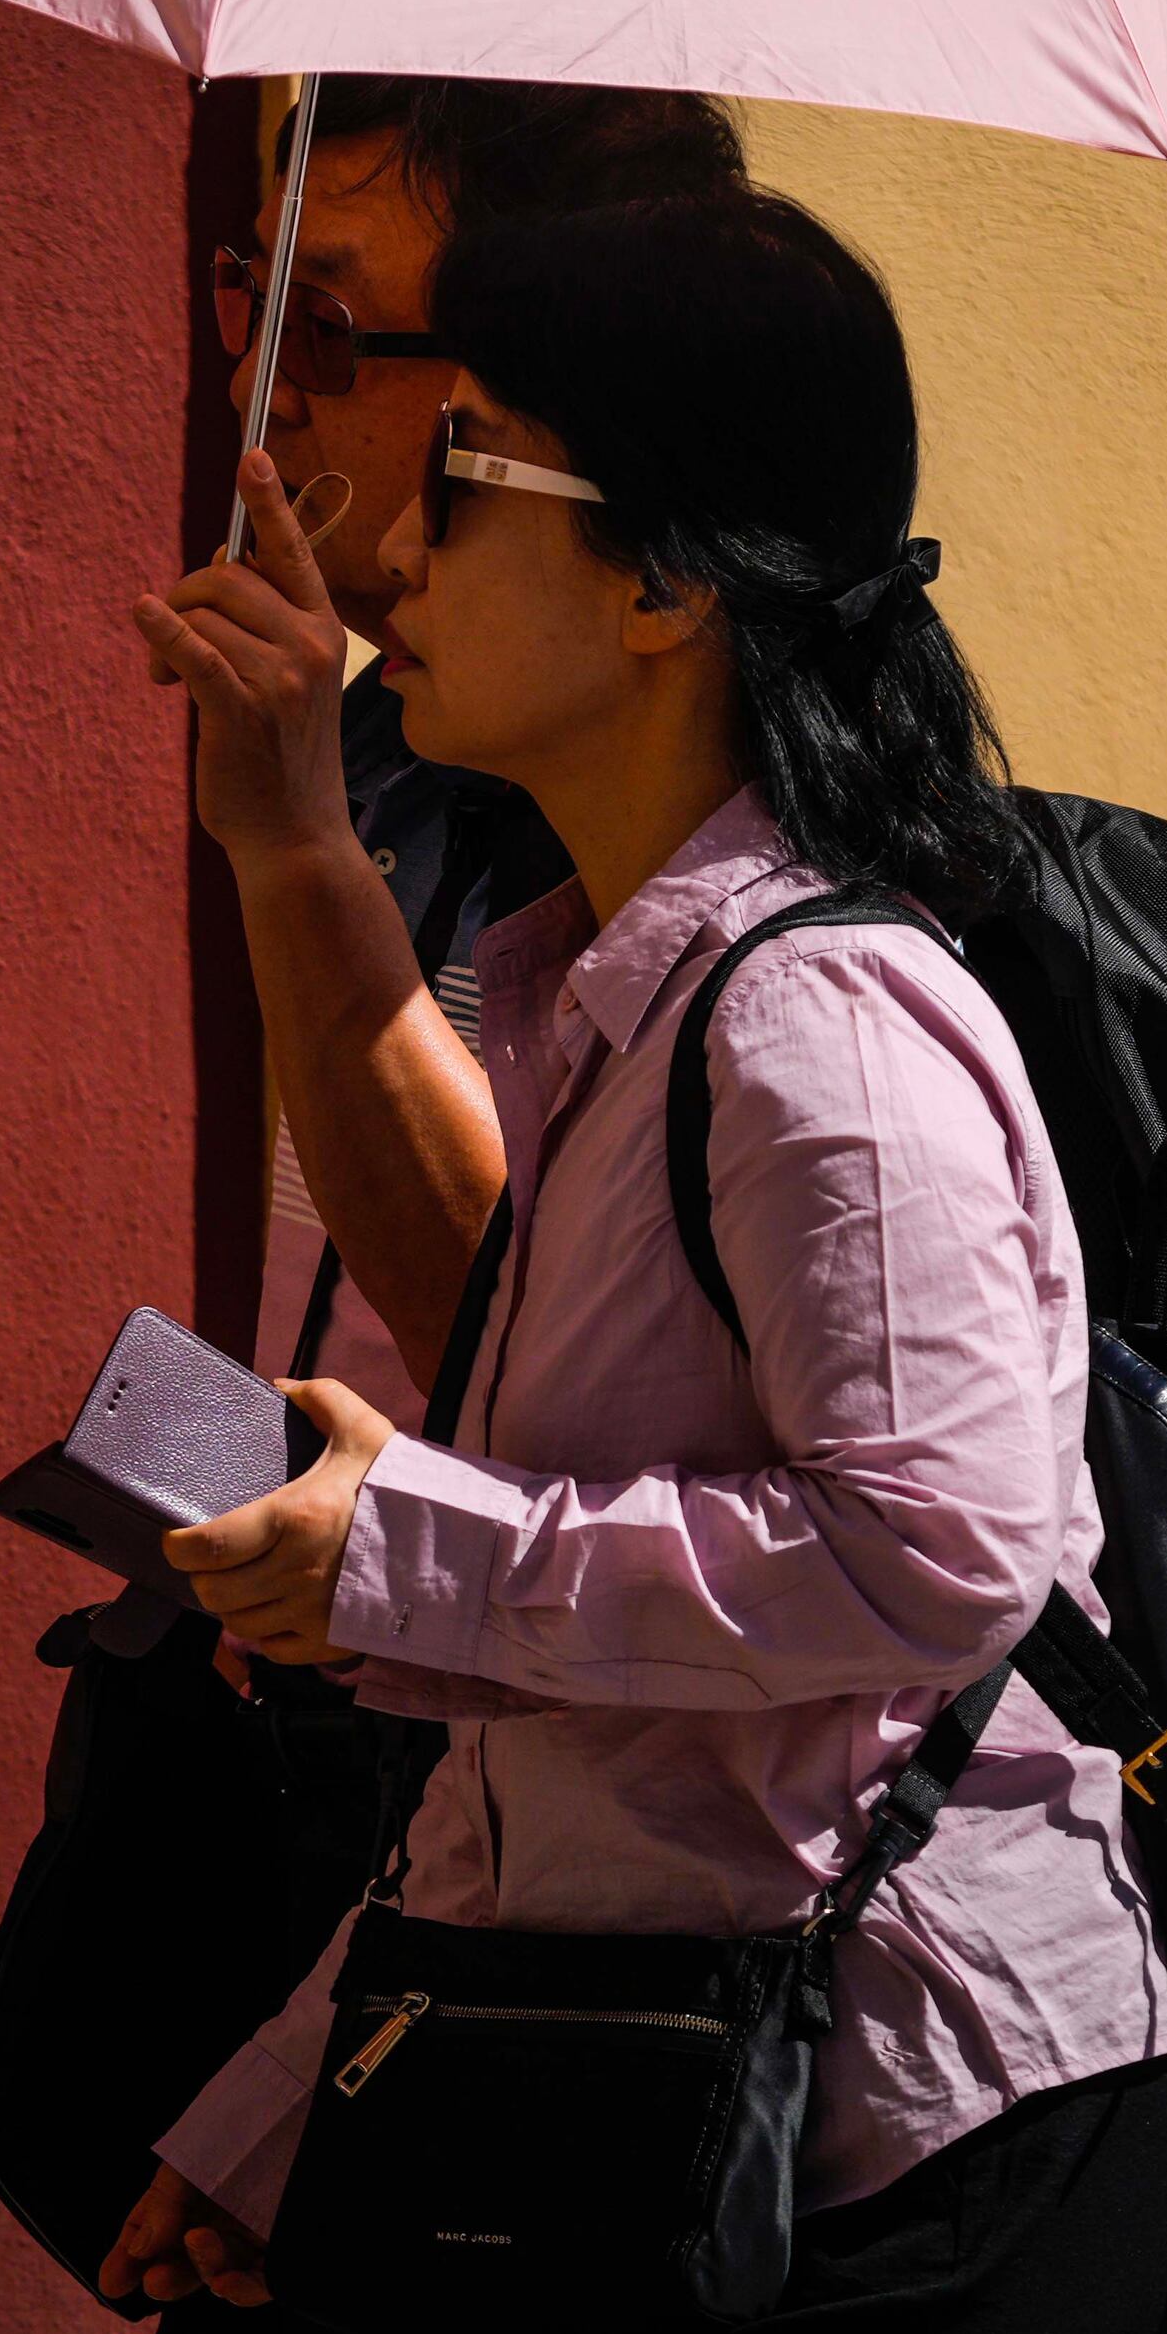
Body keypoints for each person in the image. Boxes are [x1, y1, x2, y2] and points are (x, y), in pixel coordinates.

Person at [112, 191, 1167, 2331]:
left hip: (909, 2140)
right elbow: (584, 1735)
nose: (393, 553)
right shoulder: (610, 996)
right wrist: (287, 2110)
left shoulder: (817, 1026)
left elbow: (934, 1554)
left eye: (463, 476)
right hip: (674, 2080)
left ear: (669, 579)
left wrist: (403, 1549)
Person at [195, 75, 750, 1411]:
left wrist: (299, 861)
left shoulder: (706, 858)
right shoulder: (383, 729)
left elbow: (522, 1366)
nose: (254, 388)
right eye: (245, 298)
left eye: (315, 327)